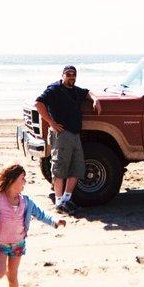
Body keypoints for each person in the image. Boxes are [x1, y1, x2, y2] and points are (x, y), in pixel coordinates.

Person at [34, 65, 102, 215]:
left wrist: (95, 99)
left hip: (75, 135)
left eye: (74, 75)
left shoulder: (75, 90)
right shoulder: (54, 89)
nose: (71, 77)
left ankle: (66, 199)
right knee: (59, 169)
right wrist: (51, 123)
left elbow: (87, 92)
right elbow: (38, 103)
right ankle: (59, 202)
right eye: (69, 74)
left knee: (77, 168)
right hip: (62, 134)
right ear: (63, 75)